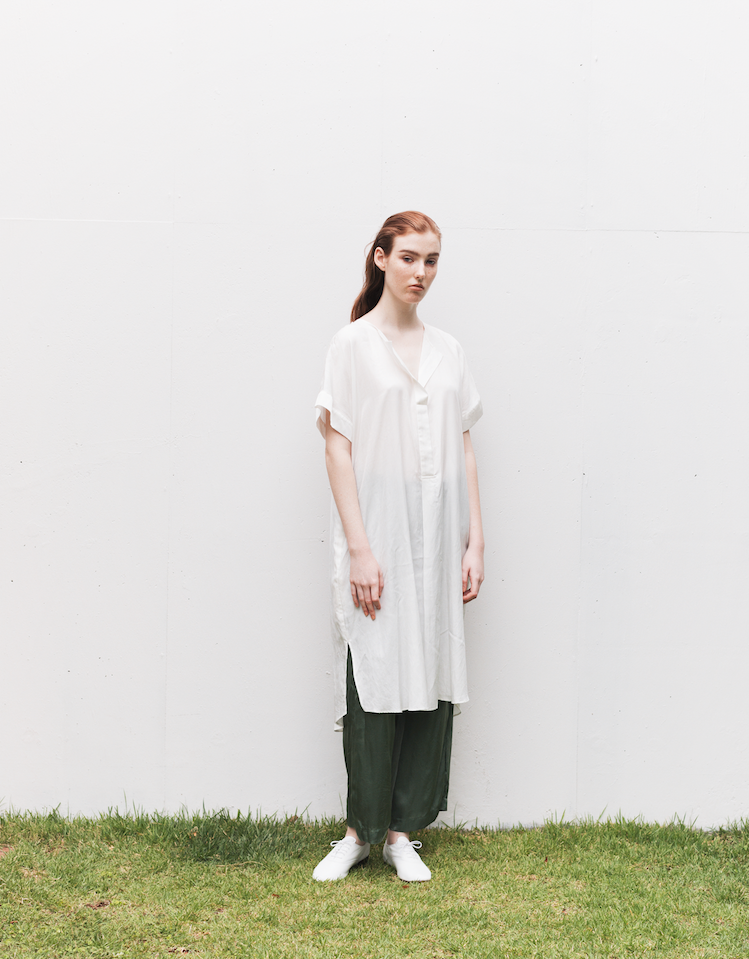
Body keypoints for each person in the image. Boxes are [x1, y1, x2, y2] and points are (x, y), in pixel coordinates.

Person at [313, 211, 484, 882]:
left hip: (438, 537)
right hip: (379, 532)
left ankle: (402, 832)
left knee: (430, 672)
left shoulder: (449, 350)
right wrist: (360, 547)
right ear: (381, 258)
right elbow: (337, 445)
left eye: (431, 260)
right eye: (409, 257)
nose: (421, 272)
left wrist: (474, 540)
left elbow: (463, 447)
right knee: (375, 671)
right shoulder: (352, 345)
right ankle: (359, 831)